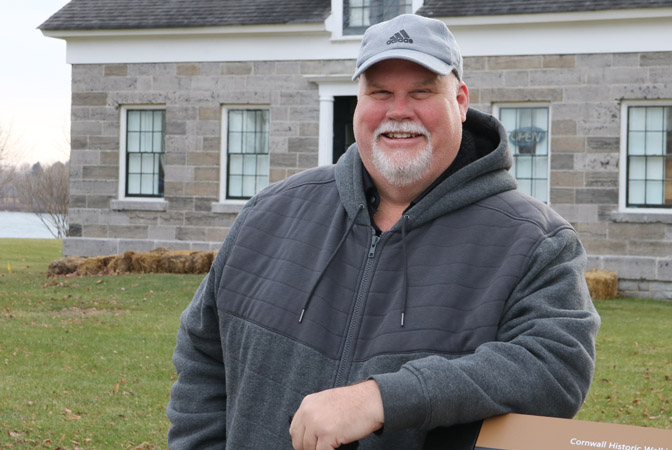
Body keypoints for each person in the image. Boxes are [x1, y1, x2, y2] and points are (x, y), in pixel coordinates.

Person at [167, 13, 600, 450]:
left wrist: (383, 399)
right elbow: (203, 353)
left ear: (461, 101)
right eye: (380, 92)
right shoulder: (271, 212)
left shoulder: (536, 241)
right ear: (359, 101)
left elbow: (555, 366)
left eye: (421, 91)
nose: (398, 111)